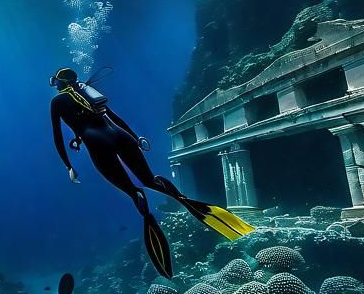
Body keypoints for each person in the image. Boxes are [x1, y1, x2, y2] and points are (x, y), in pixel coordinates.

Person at [49, 66, 254, 278]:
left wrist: (68, 166)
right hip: (121, 136)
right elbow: (115, 119)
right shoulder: (87, 92)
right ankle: (185, 200)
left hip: (97, 143)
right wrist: (136, 138)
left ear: (61, 84)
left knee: (133, 190)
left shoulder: (57, 102)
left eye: (55, 82)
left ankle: (145, 212)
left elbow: (57, 135)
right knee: (150, 180)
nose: (54, 86)